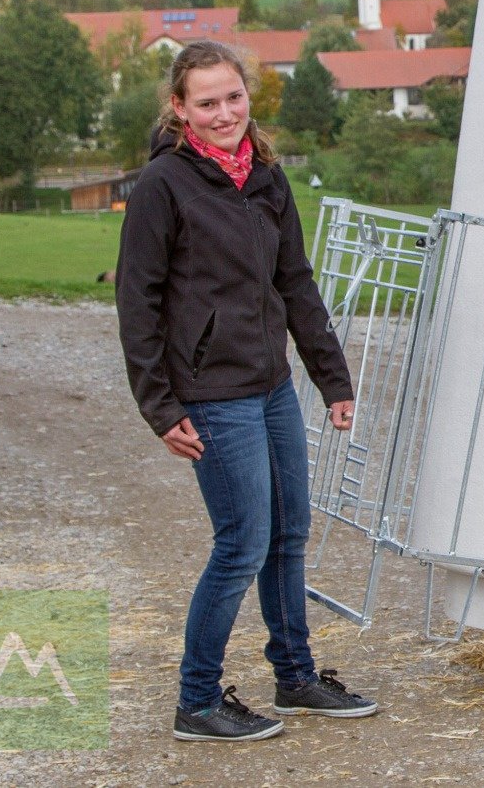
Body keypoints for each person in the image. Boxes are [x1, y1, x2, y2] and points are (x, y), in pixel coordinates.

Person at [116, 40, 377, 743]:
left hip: (271, 387)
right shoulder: (161, 187)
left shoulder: (266, 177)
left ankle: (295, 676)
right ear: (181, 108)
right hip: (209, 394)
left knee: (288, 533)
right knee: (241, 542)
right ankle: (196, 700)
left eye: (234, 97)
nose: (225, 112)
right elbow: (137, 303)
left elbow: (294, 282)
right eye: (207, 102)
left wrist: (331, 376)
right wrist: (160, 407)